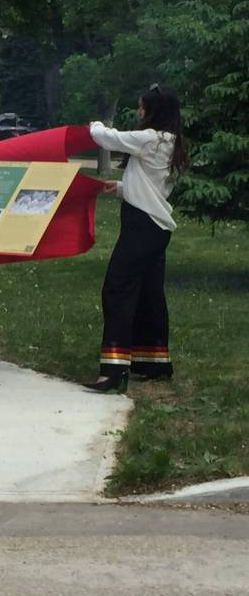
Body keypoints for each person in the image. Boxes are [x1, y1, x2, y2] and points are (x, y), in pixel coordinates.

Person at [83, 84, 188, 392]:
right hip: (156, 228)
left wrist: (93, 126)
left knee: (117, 289)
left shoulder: (150, 140)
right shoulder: (170, 141)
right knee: (148, 293)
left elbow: (108, 138)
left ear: (155, 112)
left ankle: (114, 369)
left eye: (143, 108)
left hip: (141, 227)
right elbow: (150, 187)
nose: (139, 112)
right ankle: (153, 362)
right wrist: (119, 188)